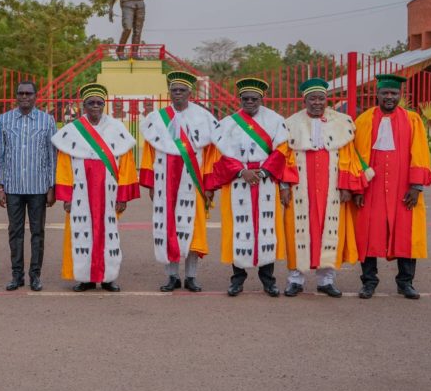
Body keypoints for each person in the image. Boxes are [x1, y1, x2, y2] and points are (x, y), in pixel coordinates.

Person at [205, 78, 295, 297]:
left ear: (261, 99)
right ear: (240, 99)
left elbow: (282, 151)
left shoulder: (275, 120)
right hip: (238, 181)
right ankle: (237, 279)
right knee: (238, 228)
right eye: (245, 99)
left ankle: (268, 280)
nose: (250, 102)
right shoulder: (228, 123)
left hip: (266, 180)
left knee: (267, 229)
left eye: (254, 99)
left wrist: (264, 172)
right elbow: (221, 155)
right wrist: (241, 171)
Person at [280, 78, 366, 298]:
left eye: (321, 98)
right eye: (312, 99)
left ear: (326, 100)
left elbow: (348, 157)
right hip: (301, 187)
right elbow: (285, 157)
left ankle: (326, 280)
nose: (317, 102)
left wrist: (347, 186)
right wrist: (285, 185)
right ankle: (295, 280)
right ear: (305, 101)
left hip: (332, 188)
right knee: (297, 231)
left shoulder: (342, 122)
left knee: (330, 232)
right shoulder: (291, 124)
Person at [352, 74, 431, 299]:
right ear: (377, 95)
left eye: (394, 93)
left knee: (406, 233)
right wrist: (358, 188)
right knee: (368, 233)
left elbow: (420, 152)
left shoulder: (412, 120)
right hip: (372, 187)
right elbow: (356, 156)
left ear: (400, 95)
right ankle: (369, 282)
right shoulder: (364, 120)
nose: (389, 97)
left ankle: (405, 282)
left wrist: (416, 186)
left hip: (403, 187)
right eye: (385, 93)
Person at [53, 83, 139, 292]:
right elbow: (64, 165)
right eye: (91, 103)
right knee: (81, 231)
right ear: (84, 106)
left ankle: (108, 277)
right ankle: (86, 278)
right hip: (80, 192)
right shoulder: (73, 131)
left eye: (99, 103)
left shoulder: (117, 129)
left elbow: (126, 165)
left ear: (104, 105)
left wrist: (123, 196)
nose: (95, 106)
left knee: (109, 233)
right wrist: (67, 196)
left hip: (108, 192)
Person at [139, 71, 218, 292]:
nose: (178, 94)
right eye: (174, 90)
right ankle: (172, 276)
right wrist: (151, 184)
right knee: (168, 227)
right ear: (169, 93)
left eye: (182, 90)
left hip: (194, 183)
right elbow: (149, 153)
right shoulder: (157, 119)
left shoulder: (204, 118)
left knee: (193, 229)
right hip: (165, 182)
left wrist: (209, 185)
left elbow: (212, 155)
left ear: (190, 93)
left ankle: (191, 276)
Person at [0, 81, 57, 292]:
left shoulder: (47, 120)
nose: (24, 97)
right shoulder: (4, 120)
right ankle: (17, 275)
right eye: (20, 93)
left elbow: (52, 156)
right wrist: (0, 186)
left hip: (38, 187)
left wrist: (52, 186)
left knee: (37, 232)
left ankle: (35, 275)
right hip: (12, 187)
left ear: (35, 96)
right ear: (16, 96)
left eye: (28, 93)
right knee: (15, 232)